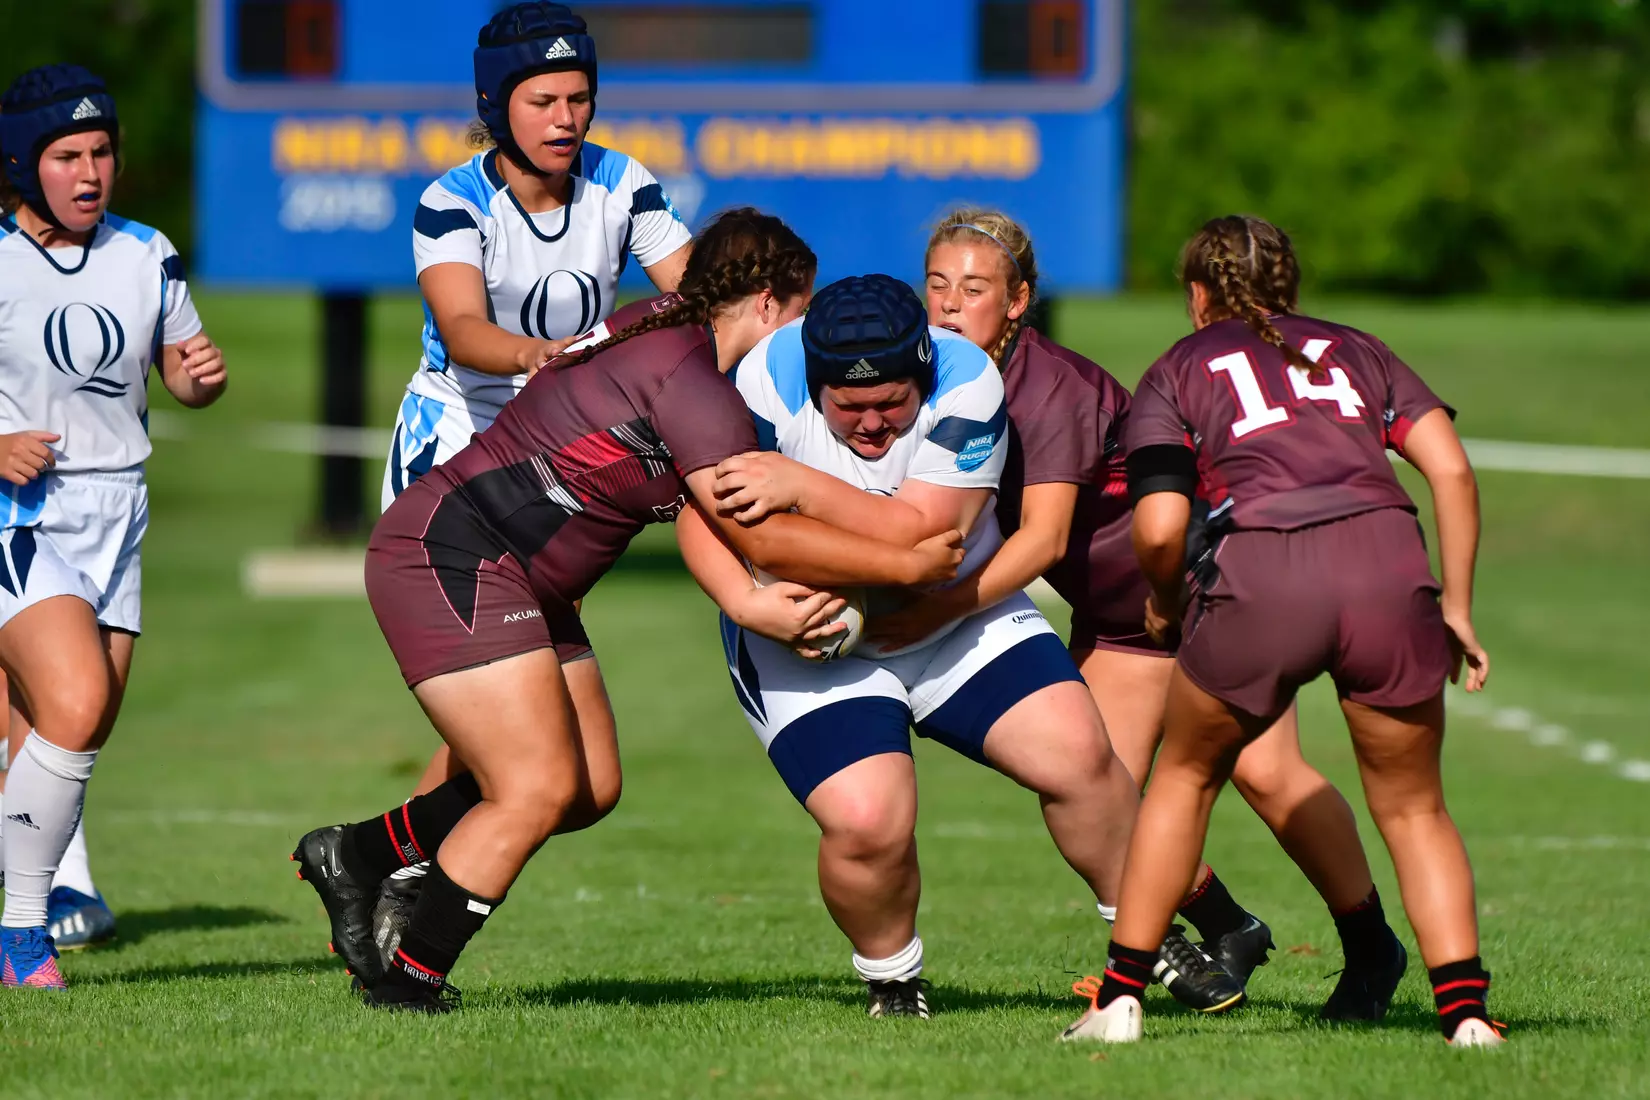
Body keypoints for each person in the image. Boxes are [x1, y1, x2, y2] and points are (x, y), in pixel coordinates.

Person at [293, 215, 967, 1013]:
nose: (803, 337)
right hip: (455, 556)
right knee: (536, 787)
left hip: (523, 580)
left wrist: (757, 591)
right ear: (762, 300)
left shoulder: (662, 326)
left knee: (589, 787)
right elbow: (766, 537)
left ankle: (363, 853)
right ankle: (410, 986)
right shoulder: (692, 381)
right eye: (801, 309)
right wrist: (910, 562)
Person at [879, 208, 1400, 1015]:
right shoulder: (930, 380)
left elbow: (1043, 543)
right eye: (937, 285)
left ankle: (1372, 949)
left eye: (973, 289)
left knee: (1267, 774)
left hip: (1195, 594)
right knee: (1086, 786)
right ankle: (1225, 928)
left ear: (1017, 302)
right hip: (1118, 623)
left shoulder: (1050, 387)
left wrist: (931, 614)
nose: (948, 306)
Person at [1065, 215, 1501, 1048]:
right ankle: (1467, 1016)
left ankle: (1118, 1000)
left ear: (1197, 295)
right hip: (1386, 566)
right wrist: (1458, 608)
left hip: (1264, 576)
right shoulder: (1359, 349)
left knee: (1185, 779)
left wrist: (1164, 601)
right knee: (1415, 809)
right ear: (1291, 287)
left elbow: (1158, 529)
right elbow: (1449, 467)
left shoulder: (1178, 368)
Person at [682, 274, 1145, 1019]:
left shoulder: (967, 379)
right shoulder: (762, 383)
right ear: (813, 384)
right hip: (805, 630)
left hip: (954, 614)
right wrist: (748, 603)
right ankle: (894, 981)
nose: (872, 425)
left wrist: (798, 482)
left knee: (1080, 754)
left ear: (924, 372)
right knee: (869, 820)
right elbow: (702, 517)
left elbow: (923, 535)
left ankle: (1143, 944)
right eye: (849, 407)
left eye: (891, 404)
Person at [0, 64, 227, 987]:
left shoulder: (147, 252)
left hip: (119, 515)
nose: (90, 172)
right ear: (24, 164)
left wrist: (199, 380)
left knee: (63, 735)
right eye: (66, 156)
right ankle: (23, 934)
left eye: (101, 153)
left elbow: (180, 369)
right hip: (21, 517)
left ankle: (25, 909)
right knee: (76, 702)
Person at [382, 0, 693, 507]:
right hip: (460, 434)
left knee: (549, 592)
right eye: (543, 101)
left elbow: (698, 296)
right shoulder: (453, 202)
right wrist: (534, 354)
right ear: (494, 102)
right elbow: (461, 328)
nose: (565, 119)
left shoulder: (622, 181)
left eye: (580, 99)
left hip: (566, 436)